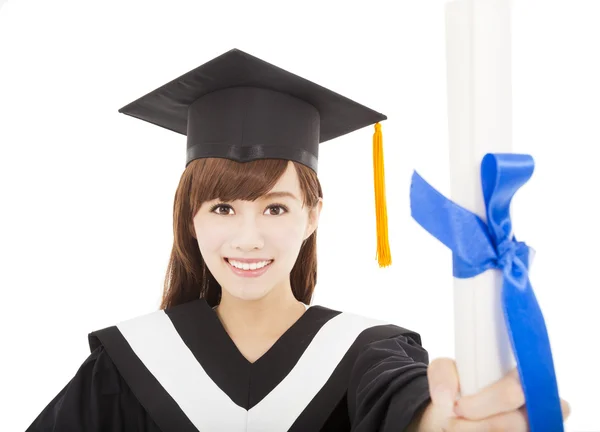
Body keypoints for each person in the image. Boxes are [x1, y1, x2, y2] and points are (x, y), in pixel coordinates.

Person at [26, 49, 570, 432]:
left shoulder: (364, 354)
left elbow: (403, 402)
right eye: (221, 207)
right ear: (189, 219)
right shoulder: (127, 366)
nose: (248, 237)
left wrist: (441, 421)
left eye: (275, 207)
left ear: (313, 216)